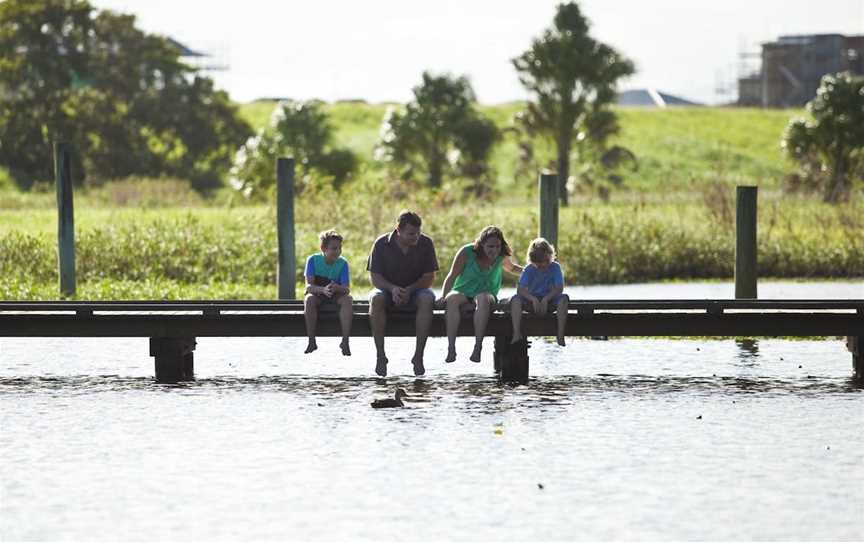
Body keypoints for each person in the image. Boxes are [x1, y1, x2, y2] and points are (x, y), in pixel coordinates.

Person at [436, 226, 522, 364]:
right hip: (463, 291)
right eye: (490, 246)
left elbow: (512, 268)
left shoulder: (501, 255)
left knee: (482, 298)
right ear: (481, 244)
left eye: (498, 246)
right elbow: (452, 276)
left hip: (487, 294)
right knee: (451, 299)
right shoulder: (467, 252)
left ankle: (478, 347)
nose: (494, 250)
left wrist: (532, 270)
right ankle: (451, 348)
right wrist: (443, 296)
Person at [367, 211, 439, 377]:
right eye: (411, 234)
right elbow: (375, 277)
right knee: (376, 298)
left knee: (428, 298)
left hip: (416, 291)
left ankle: (418, 356)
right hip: (387, 290)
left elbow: (429, 277)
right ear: (398, 230)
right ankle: (380, 355)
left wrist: (410, 290)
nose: (416, 237)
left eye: (418, 233)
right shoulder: (381, 244)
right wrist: (393, 289)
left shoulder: (426, 243)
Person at [509, 237, 569, 346]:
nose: (542, 265)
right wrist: (533, 299)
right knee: (515, 300)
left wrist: (546, 299)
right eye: (538, 263)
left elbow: (559, 288)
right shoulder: (529, 269)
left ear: (550, 256)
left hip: (550, 302)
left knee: (564, 299)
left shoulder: (555, 267)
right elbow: (520, 290)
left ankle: (560, 335)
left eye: (545, 261)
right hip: (532, 304)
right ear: (532, 260)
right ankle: (517, 333)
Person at [303, 230, 352, 356]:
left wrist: (337, 288)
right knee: (309, 299)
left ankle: (345, 341)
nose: (338, 251)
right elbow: (309, 287)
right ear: (323, 248)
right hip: (318, 294)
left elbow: (346, 289)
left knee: (348, 299)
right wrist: (323, 290)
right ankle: (311, 341)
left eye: (340, 248)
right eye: (334, 248)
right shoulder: (313, 260)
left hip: (335, 295)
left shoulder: (343, 263)